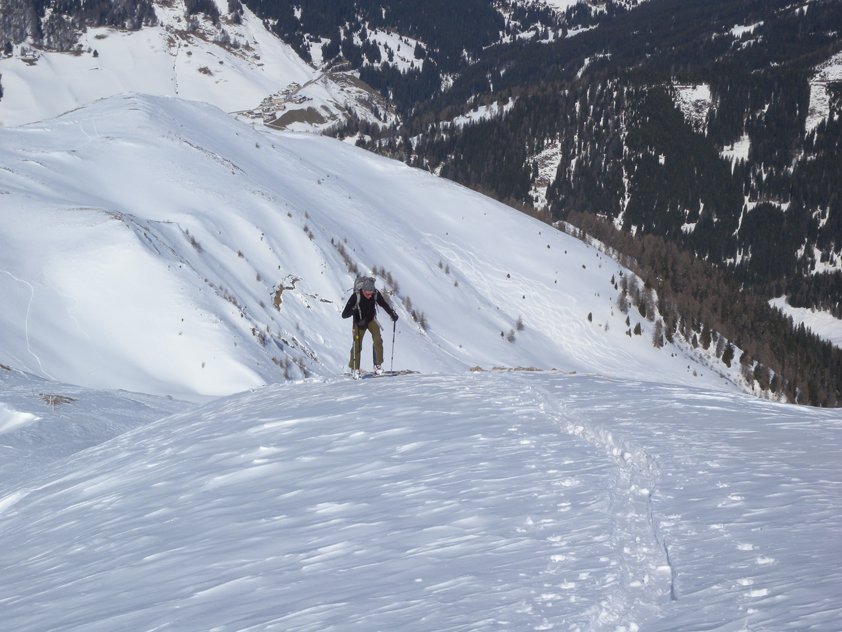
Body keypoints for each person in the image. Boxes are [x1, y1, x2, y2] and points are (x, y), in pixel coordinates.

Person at [342, 276, 398, 376]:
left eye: (371, 294)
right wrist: (353, 311)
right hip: (358, 322)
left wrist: (392, 314)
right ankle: (355, 368)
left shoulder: (375, 294)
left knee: (378, 339)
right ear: (363, 290)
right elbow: (344, 315)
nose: (370, 296)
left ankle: (377, 365)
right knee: (357, 345)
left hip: (371, 320)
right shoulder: (355, 296)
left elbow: (383, 304)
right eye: (368, 294)